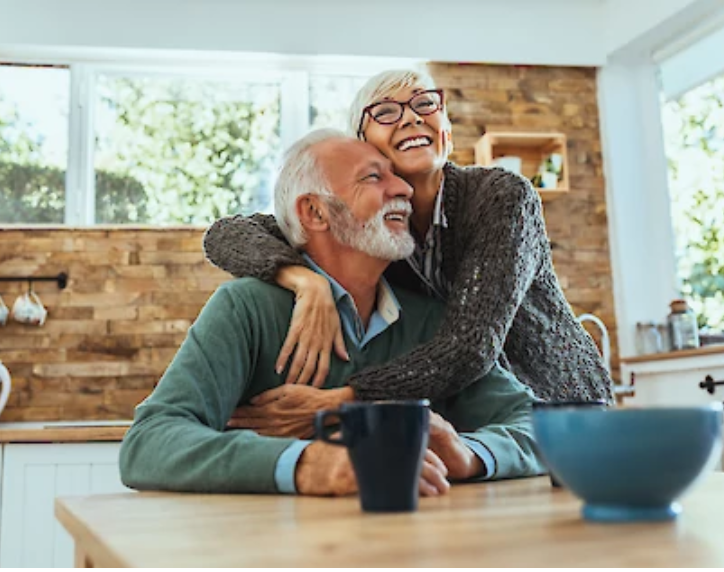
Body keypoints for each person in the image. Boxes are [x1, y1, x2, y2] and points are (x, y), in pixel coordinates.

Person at [119, 129, 543, 496]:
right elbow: (149, 442)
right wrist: (310, 464)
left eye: (396, 177)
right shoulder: (246, 308)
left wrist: (469, 454)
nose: (404, 190)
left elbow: (538, 426)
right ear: (315, 212)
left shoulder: (431, 321)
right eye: (374, 177)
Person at [203, 69, 613, 435]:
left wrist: (343, 400)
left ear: (446, 132)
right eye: (385, 112)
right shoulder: (369, 227)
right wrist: (304, 281)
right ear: (364, 146)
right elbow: (227, 234)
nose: (412, 117)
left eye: (424, 104)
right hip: (474, 423)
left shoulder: (501, 197)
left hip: (559, 409)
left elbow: (470, 347)